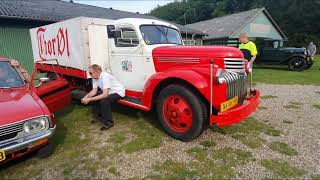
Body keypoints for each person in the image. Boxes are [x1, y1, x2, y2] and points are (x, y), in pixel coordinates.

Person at [81, 64, 125, 131]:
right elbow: (94, 91)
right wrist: (85, 97)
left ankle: (109, 123)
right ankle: (98, 117)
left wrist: (89, 99)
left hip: (118, 92)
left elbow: (105, 95)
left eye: (90, 73)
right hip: (109, 92)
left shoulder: (105, 76)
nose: (89, 74)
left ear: (97, 71)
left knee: (104, 101)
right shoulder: (95, 78)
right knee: (95, 96)